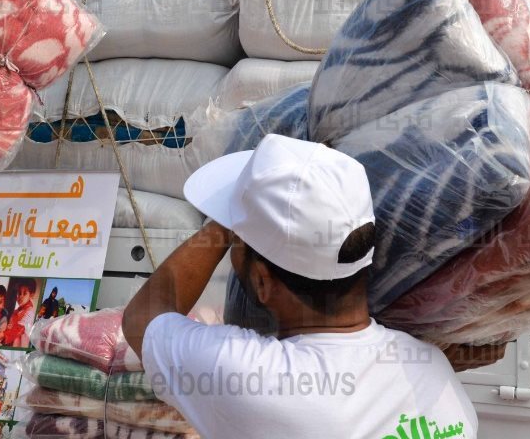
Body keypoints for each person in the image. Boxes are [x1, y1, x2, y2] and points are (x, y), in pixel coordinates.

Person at [124, 134, 498, 439]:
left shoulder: (253, 380)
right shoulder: (432, 368)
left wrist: (226, 223)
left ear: (261, 281)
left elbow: (144, 318)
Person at [0, 278, 37, 348]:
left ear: (31, 295)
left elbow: (20, 328)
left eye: (24, 293)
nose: (20, 296)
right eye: (19, 293)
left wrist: (4, 335)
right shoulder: (16, 311)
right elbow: (10, 327)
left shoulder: (30, 312)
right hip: (10, 345)